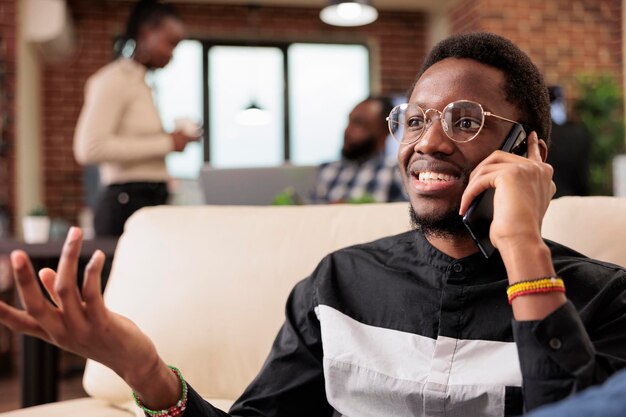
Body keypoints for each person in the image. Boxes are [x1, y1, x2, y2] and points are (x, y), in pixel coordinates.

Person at [3, 32, 626, 417]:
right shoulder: (339, 284)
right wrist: (143, 370)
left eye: (465, 120)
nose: (427, 143)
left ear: (528, 152)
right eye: (415, 120)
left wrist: (521, 246)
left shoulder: (605, 297)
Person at [73, 0, 200, 237]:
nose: (172, 54)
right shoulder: (113, 80)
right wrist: (167, 143)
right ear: (145, 33)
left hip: (148, 200)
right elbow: (88, 148)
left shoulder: (142, 83)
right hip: (125, 205)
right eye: (169, 43)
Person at [310, 96, 407, 203]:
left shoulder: (395, 174)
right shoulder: (327, 170)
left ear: (385, 132)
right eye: (349, 121)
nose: (347, 130)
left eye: (359, 124)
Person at [545, 85, 591, 198]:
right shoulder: (577, 134)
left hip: (540, 202)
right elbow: (582, 179)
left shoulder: (534, 134)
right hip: (569, 201)